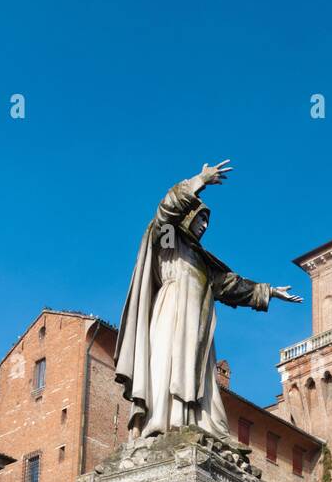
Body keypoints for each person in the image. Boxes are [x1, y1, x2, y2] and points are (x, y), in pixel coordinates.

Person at [115, 159, 301, 441]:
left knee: (195, 372)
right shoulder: (169, 242)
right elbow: (165, 212)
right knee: (166, 364)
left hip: (199, 327)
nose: (203, 226)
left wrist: (270, 291)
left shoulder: (203, 264)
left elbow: (232, 286)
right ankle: (163, 422)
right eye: (200, 218)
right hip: (170, 313)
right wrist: (199, 181)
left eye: (207, 222)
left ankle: (189, 422)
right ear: (188, 217)